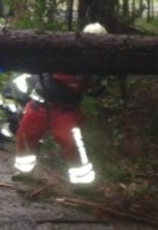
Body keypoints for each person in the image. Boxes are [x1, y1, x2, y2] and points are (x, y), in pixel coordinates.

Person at [11, 22, 108, 189]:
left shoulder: (98, 64)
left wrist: (95, 83)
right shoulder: (65, 50)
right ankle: (24, 172)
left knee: (71, 143)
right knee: (25, 136)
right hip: (39, 103)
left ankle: (82, 183)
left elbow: (98, 91)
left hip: (65, 109)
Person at [0, 73, 32, 150]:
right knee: (18, 120)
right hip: (9, 98)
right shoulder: (39, 78)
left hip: (20, 101)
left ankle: (6, 134)